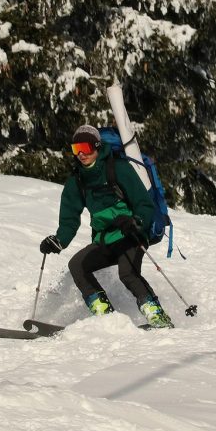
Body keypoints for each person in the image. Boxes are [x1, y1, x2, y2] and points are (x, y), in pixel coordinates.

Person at [39, 124, 173, 328]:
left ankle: (157, 316)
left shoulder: (118, 168)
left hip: (132, 234)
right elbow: (69, 218)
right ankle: (106, 316)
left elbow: (144, 203)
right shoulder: (76, 181)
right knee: (78, 265)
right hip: (106, 238)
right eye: (76, 149)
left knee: (127, 273)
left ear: (97, 146)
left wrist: (136, 222)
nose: (81, 154)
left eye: (85, 147)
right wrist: (59, 241)